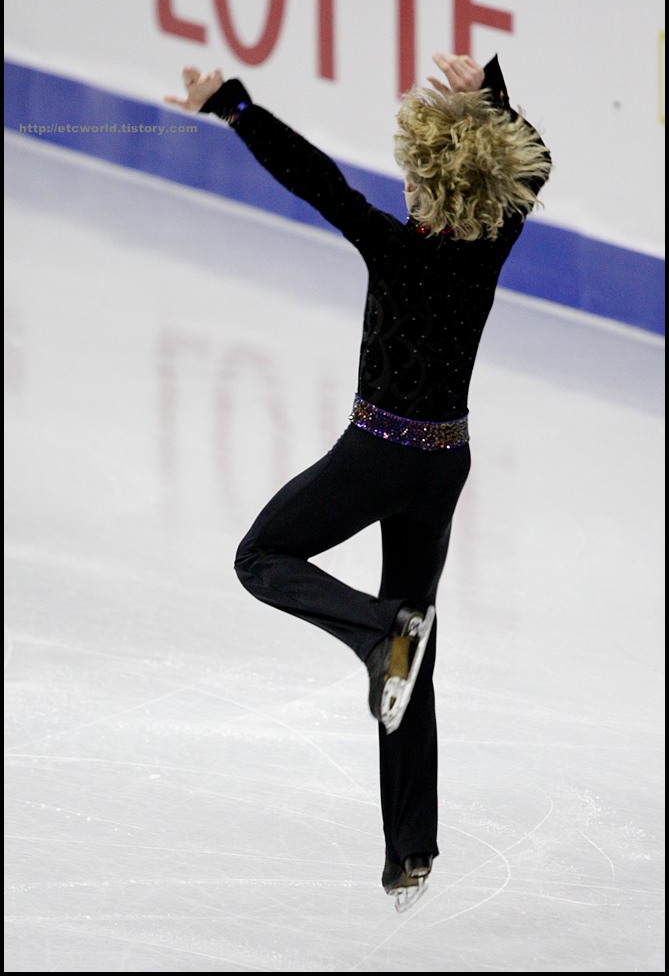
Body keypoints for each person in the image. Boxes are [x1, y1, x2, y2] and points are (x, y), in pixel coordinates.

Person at [165, 52, 551, 910]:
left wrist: (234, 106)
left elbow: (316, 180)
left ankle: (379, 630)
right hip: (443, 466)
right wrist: (490, 97)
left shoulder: (392, 244)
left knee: (262, 555)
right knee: (412, 664)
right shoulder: (493, 241)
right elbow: (538, 163)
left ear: (422, 186)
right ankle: (408, 851)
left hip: (375, 455)